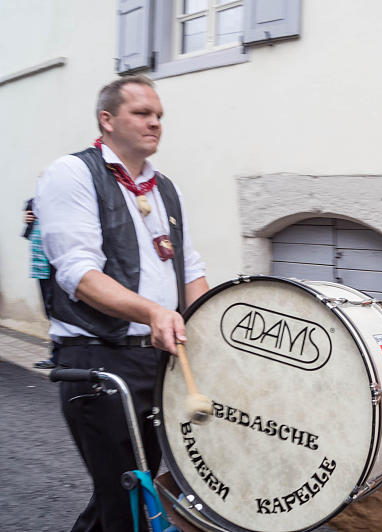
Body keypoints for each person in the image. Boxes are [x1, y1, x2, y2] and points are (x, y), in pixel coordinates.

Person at [35, 74, 209, 531]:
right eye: (142, 114)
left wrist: (210, 328)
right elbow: (77, 273)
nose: (155, 124)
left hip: (158, 360)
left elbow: (189, 268)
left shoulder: (165, 187)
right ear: (106, 120)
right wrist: (152, 312)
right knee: (125, 494)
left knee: (137, 488)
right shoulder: (72, 173)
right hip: (98, 357)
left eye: (159, 116)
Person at [22, 199, 60, 369]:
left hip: (56, 268)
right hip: (41, 268)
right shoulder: (34, 203)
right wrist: (28, 222)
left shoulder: (59, 202)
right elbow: (29, 234)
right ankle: (57, 355)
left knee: (58, 312)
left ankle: (59, 357)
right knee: (50, 311)